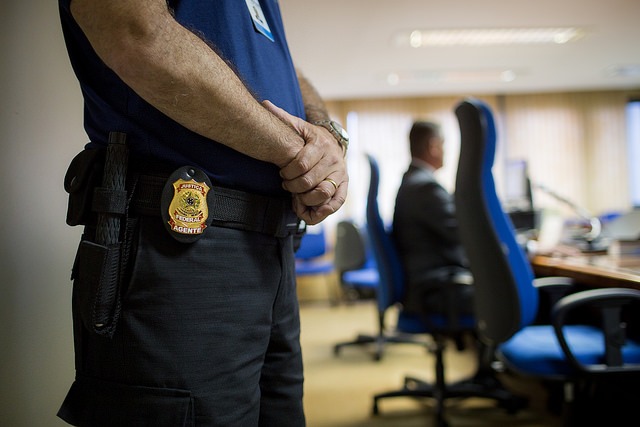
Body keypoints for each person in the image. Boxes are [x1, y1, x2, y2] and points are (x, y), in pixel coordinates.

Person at [57, 1, 348, 426]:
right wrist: (298, 153)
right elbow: (136, 33)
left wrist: (327, 134)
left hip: (273, 248)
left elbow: (287, 66)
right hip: (179, 247)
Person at [392, 120, 473, 319]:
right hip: (438, 291)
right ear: (433, 146)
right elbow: (467, 234)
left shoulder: (413, 182)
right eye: (443, 145)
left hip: (431, 284)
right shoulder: (425, 188)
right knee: (521, 295)